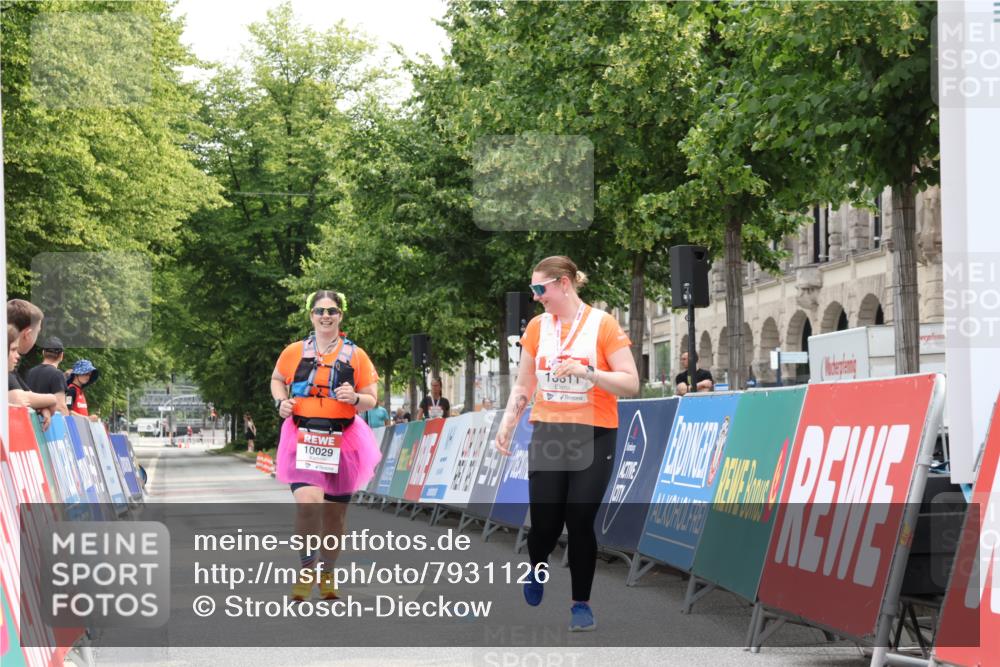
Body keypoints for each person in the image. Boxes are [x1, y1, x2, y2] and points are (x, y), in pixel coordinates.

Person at [495, 256, 639, 632]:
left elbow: (631, 382)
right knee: (544, 524)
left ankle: (581, 604)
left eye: (539, 289)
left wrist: (590, 373)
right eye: (532, 290)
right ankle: (537, 566)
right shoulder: (537, 328)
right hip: (549, 432)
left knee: (579, 520)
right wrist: (509, 421)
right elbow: (525, 383)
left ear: (563, 284)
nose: (535, 296)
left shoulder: (602, 324)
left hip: (594, 432)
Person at [270, 290, 381, 602]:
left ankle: (327, 571)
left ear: (340, 315)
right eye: (319, 311)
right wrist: (281, 401)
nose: (326, 316)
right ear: (311, 315)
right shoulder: (294, 351)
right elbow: (277, 379)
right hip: (302, 436)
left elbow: (372, 398)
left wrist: (356, 398)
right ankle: (307, 570)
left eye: (332, 311)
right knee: (309, 503)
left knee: (334, 517)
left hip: (343, 441)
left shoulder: (356, 355)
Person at [7, 326, 58, 429]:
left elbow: (27, 395)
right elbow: (20, 397)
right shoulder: (57, 374)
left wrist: (41, 407)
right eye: (13, 350)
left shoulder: (12, 372)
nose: (18, 356)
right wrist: (53, 399)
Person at [25, 337, 70, 415]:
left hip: (31, 419)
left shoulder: (30, 372)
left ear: (43, 353)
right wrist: (70, 421)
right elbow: (60, 406)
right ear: (61, 355)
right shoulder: (57, 374)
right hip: (48, 420)